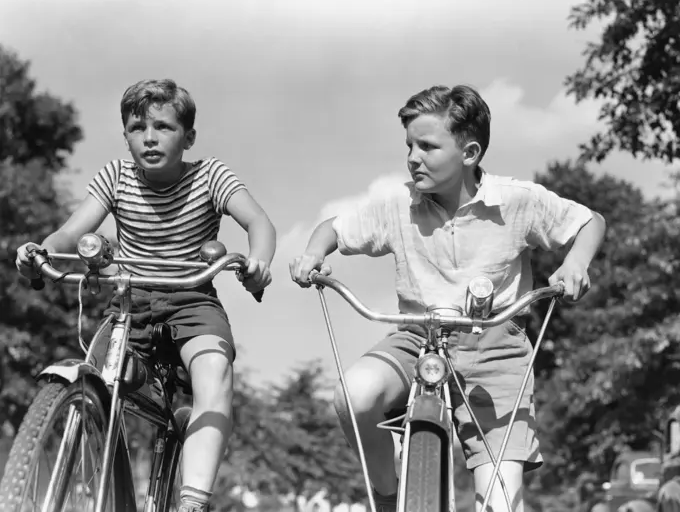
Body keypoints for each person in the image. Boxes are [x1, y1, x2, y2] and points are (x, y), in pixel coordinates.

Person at [290, 84, 606, 512]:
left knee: (500, 502)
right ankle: (387, 494)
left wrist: (576, 264)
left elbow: (590, 222)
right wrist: (312, 253)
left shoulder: (516, 201)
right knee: (355, 394)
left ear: (470, 153)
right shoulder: (398, 206)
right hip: (417, 340)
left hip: (496, 350)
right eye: (409, 146)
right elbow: (333, 228)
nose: (412, 157)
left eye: (427, 146)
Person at [15, 78, 276, 512]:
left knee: (214, 368)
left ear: (188, 136)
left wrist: (259, 263)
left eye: (163, 127)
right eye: (137, 128)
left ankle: (192, 502)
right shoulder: (115, 177)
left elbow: (259, 224)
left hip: (191, 299)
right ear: (125, 136)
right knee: (97, 379)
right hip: (128, 302)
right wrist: (42, 250)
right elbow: (70, 232)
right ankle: (99, 487)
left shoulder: (210, 175)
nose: (149, 138)